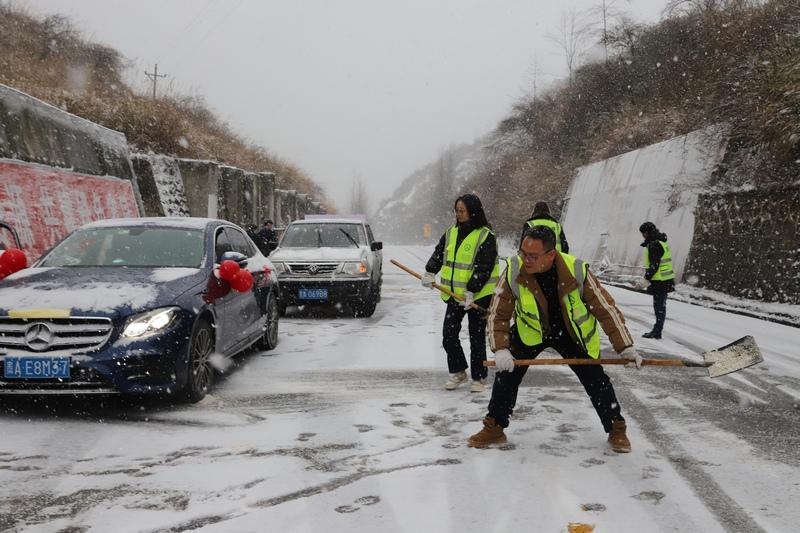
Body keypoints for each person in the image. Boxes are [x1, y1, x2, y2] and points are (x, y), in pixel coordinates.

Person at [467, 225, 642, 453]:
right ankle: (495, 426)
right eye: (523, 253)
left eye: (533, 256)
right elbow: (497, 313)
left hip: (571, 333)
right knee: (506, 376)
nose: (525, 260)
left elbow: (605, 309)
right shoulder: (514, 270)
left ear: (551, 255)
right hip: (532, 330)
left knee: (595, 378)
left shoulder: (577, 270)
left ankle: (616, 427)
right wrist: (501, 349)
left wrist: (625, 347)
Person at [422, 194, 500, 393]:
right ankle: (458, 372)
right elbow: (439, 254)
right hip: (454, 295)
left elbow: (485, 267)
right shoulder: (451, 233)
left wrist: (472, 291)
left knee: (476, 337)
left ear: (473, 211)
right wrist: (430, 271)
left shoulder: (486, 236)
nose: (458, 214)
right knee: (448, 335)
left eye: (462, 210)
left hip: (478, 296)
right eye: (456, 210)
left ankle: (479, 377)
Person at [635, 221, 675, 340]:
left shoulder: (654, 245)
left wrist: (645, 280)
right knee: (660, 306)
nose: (642, 236)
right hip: (665, 279)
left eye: (643, 233)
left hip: (660, 281)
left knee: (659, 307)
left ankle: (657, 331)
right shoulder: (660, 241)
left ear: (646, 233)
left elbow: (654, 265)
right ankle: (657, 330)